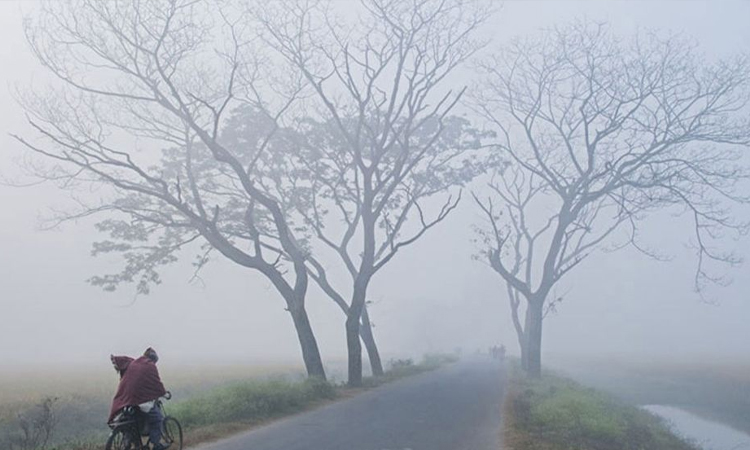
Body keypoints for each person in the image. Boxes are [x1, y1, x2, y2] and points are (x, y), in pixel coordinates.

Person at [109, 348, 169, 450]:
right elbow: (156, 383)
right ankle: (156, 445)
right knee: (158, 419)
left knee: (131, 421)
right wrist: (163, 393)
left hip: (126, 400)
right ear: (153, 359)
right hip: (140, 400)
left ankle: (132, 443)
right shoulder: (150, 366)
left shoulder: (134, 363)